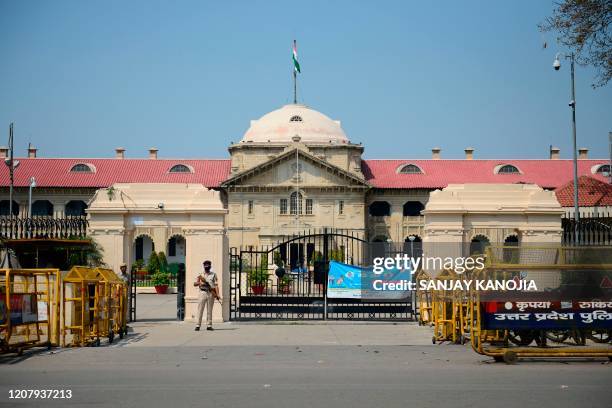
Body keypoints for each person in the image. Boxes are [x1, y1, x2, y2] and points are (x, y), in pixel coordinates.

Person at [194, 260, 219, 331]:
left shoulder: (214, 274)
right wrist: (200, 283)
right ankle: (198, 325)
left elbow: (216, 285)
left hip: (211, 293)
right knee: (200, 309)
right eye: (206, 265)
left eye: (208, 265)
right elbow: (195, 283)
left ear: (210, 266)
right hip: (202, 293)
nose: (207, 267)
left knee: (209, 310)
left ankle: (209, 325)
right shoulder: (200, 274)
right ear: (204, 266)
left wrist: (217, 294)